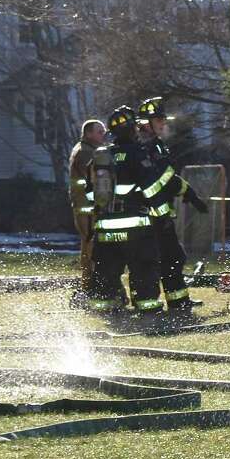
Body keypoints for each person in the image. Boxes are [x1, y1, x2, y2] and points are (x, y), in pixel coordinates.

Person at [88, 106, 164, 317]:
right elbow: (152, 188)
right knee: (143, 267)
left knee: (105, 270)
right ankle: (147, 305)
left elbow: (89, 193)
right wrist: (161, 213)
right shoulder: (138, 154)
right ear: (132, 130)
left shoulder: (101, 157)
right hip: (135, 227)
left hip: (105, 228)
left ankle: (104, 306)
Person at [136, 96, 208, 316]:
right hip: (151, 215)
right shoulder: (145, 147)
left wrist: (190, 194)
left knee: (173, 257)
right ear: (146, 123)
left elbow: (169, 178)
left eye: (163, 119)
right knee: (165, 258)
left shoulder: (153, 145)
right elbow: (160, 180)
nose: (163, 123)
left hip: (159, 213)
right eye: (159, 120)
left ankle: (178, 301)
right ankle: (166, 303)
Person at [68, 119, 106, 298]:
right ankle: (89, 287)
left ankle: (90, 286)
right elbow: (94, 178)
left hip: (88, 207)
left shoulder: (88, 149)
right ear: (88, 133)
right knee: (90, 248)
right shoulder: (85, 152)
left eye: (104, 131)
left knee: (90, 247)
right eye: (99, 131)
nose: (103, 134)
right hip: (87, 209)